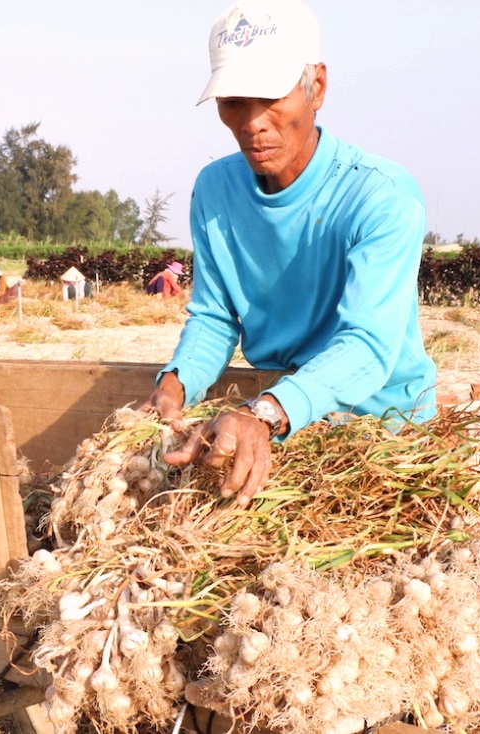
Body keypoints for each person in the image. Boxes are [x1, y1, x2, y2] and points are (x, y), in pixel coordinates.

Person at [143, 0, 437, 508]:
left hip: (381, 432)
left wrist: (264, 415)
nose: (253, 122)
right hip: (282, 413)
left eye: (271, 96)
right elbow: (215, 316)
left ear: (316, 87)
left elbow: (368, 345)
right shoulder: (216, 191)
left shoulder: (382, 197)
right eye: (234, 100)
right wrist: (174, 384)